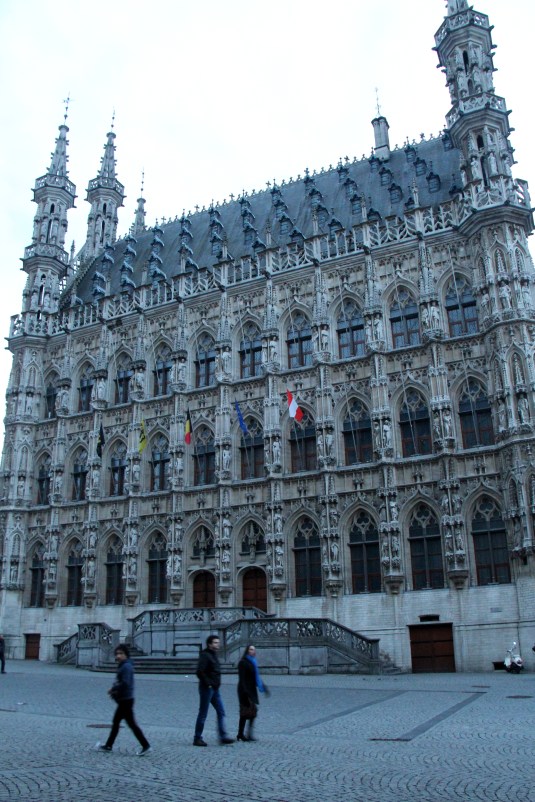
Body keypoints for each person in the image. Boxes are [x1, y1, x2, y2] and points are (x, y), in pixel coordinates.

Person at [96, 644, 151, 756]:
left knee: (130, 724)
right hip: (125, 699)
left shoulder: (126, 667)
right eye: (117, 654)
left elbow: (125, 683)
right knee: (117, 722)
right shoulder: (124, 665)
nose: (118, 656)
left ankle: (145, 745)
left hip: (126, 700)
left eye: (121, 653)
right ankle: (109, 745)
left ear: (126, 655)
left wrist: (114, 689)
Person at [193, 635, 234, 746]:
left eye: (218, 642)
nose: (218, 644)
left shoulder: (213, 654)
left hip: (215, 689)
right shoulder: (205, 655)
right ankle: (197, 738)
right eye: (215, 642)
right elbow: (200, 671)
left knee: (221, 711)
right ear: (209, 644)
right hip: (207, 688)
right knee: (203, 713)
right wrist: (209, 684)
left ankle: (223, 736)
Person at [237, 644, 269, 742]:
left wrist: (264, 687)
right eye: (251, 649)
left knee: (252, 712)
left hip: (251, 690)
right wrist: (245, 692)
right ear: (247, 651)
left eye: (254, 649)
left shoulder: (253, 662)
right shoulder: (243, 662)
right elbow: (242, 678)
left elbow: (256, 677)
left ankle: (246, 734)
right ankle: (241, 734)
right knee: (245, 712)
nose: (253, 651)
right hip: (244, 690)